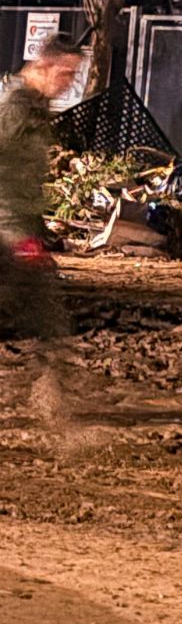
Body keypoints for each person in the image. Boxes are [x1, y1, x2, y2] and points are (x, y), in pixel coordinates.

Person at [0, 34, 82, 393]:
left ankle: (52, 389)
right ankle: (54, 395)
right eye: (65, 73)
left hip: (19, 221)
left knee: (40, 306)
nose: (70, 83)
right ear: (43, 66)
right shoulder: (14, 105)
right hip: (6, 224)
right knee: (45, 309)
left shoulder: (35, 105)